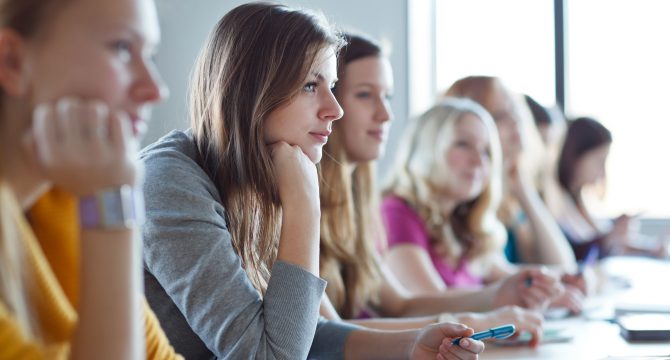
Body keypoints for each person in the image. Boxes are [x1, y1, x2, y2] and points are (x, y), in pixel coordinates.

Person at [140, 3, 484, 359]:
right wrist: (305, 205)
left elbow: (294, 332)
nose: (334, 108)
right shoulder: (170, 184)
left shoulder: (251, 180)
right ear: (252, 92)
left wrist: (411, 344)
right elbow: (271, 355)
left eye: (332, 85)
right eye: (309, 85)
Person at [317, 34, 559, 346]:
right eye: (365, 95)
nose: (387, 114)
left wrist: (497, 296)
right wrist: (478, 318)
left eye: (387, 97)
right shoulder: (389, 209)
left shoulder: (358, 204)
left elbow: (401, 304)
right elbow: (326, 333)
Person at [0, 0, 176, 358]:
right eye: (123, 48)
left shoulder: (60, 198)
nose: (156, 90)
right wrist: (112, 202)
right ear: (12, 63)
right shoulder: (94, 197)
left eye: (150, 55)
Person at [443, 76, 586, 314]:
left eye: (515, 112)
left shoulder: (506, 199)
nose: (515, 123)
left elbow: (560, 263)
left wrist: (523, 188)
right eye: (499, 116)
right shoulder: (464, 204)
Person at [549, 117, 667, 260]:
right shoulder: (556, 200)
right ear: (576, 156)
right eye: (598, 161)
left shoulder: (578, 200)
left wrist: (648, 249)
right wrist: (609, 237)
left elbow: (598, 239)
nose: (602, 172)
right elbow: (575, 254)